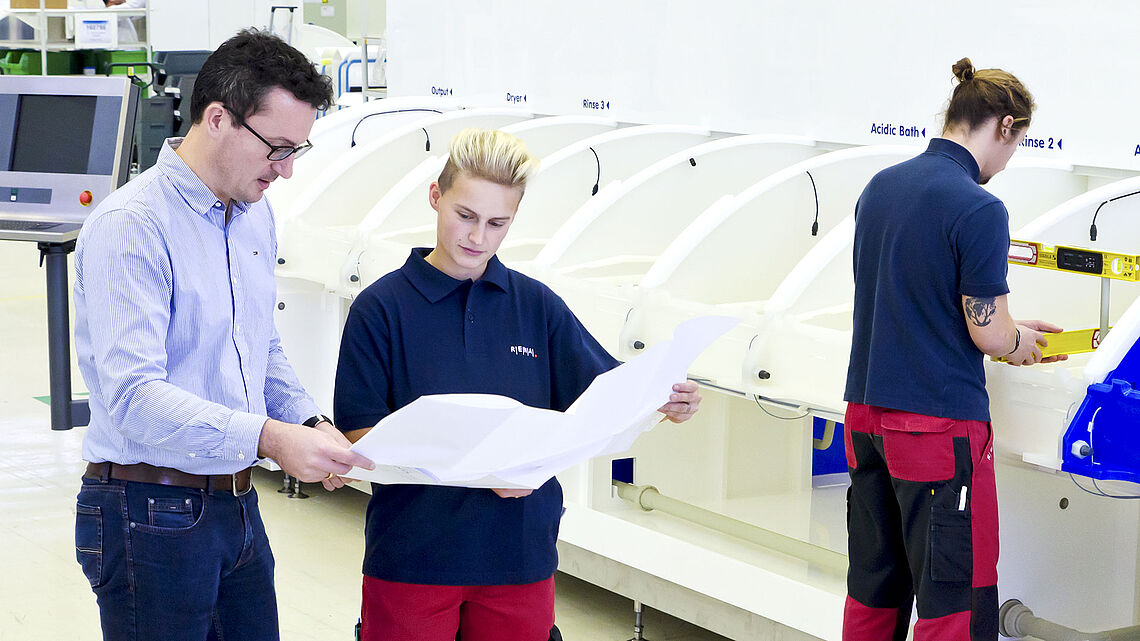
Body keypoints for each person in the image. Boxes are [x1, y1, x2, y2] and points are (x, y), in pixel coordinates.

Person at [332, 128, 703, 641]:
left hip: (520, 555)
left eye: (497, 223)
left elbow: (606, 397)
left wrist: (666, 400)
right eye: (465, 215)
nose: (477, 237)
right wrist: (480, 471)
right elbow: (359, 436)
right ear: (436, 197)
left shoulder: (536, 306)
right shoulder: (380, 309)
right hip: (414, 555)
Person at [72, 29, 373, 641]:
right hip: (147, 511)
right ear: (218, 119)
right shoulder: (132, 226)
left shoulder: (253, 214)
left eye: (298, 151)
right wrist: (270, 437)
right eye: (278, 148)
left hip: (235, 508)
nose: (286, 171)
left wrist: (310, 426)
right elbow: (133, 397)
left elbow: (258, 347)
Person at [841, 57, 1067, 641]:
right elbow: (988, 331)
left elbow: (911, 295)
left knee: (874, 591)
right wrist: (1019, 342)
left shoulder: (880, 188)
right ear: (1005, 126)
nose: (1009, 160)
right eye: (1017, 144)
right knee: (953, 608)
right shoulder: (979, 206)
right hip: (935, 434)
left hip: (864, 422)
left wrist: (1007, 329)